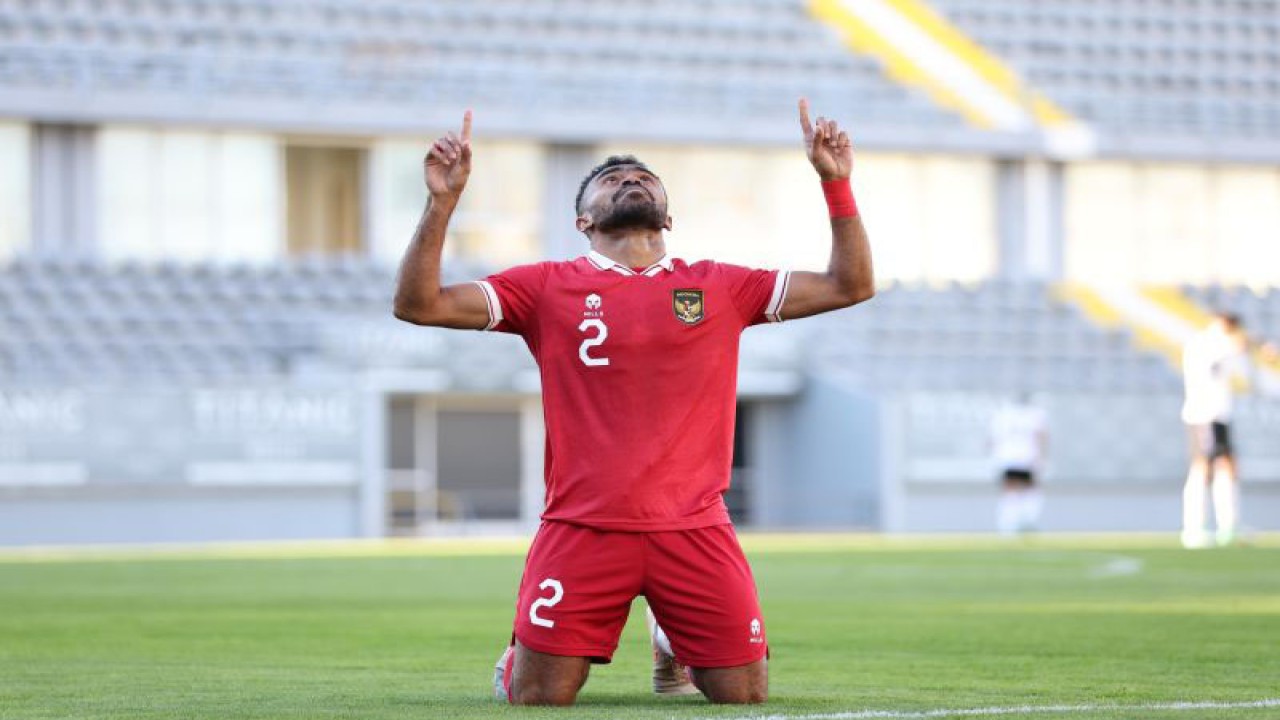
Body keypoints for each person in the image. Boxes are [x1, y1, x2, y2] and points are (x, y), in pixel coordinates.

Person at [393, 100, 874, 705]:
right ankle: (523, 652)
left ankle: (672, 638)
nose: (630, 180)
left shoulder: (721, 285)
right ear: (583, 222)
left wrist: (837, 184)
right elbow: (419, 304)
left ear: (668, 217)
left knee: (744, 696)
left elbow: (849, 285)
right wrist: (441, 203)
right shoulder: (542, 287)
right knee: (539, 699)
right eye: (612, 180)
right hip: (582, 526)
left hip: (695, 526)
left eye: (644, 178)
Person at [1180, 312, 1250, 548]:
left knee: (1228, 466)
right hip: (1203, 414)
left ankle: (1228, 525)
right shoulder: (1204, 344)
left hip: (1220, 414)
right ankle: (1194, 527)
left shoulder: (1223, 345)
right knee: (1203, 467)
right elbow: (1233, 349)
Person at [988, 393, 1048, 536]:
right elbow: (1041, 436)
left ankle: (1008, 527)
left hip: (1008, 458)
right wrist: (1042, 457)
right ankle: (1027, 522)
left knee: (1011, 490)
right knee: (1030, 490)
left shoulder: (1002, 414)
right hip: (1027, 457)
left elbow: (992, 439)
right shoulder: (1035, 414)